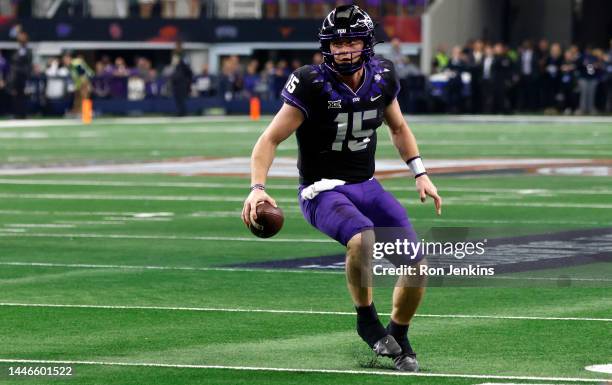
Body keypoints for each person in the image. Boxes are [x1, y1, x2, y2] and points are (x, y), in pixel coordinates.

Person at [241, 5, 441, 372]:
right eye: (337, 43)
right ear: (326, 47)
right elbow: (269, 139)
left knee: (416, 264)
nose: (344, 50)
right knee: (361, 237)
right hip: (321, 190)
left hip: (365, 185)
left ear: (367, 44)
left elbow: (397, 128)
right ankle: (367, 321)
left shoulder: (382, 75)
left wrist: (420, 172)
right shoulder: (311, 82)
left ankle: (398, 336)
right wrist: (257, 188)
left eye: (352, 42)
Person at [8, 31, 32, 119]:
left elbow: (27, 65)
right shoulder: (16, 51)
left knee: (24, 96)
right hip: (15, 77)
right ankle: (16, 114)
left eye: (23, 37)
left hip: (24, 77)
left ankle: (23, 114)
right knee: (15, 96)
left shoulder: (28, 51)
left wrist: (27, 76)